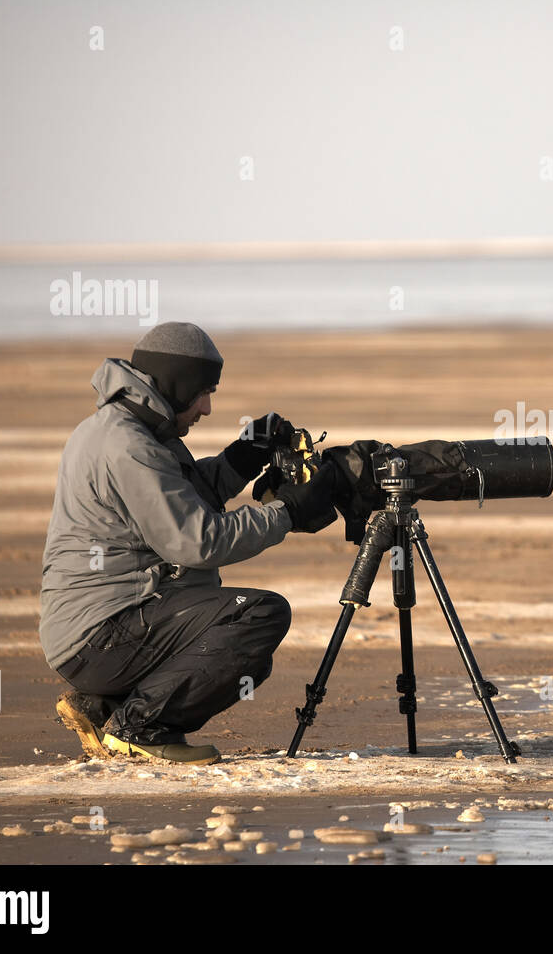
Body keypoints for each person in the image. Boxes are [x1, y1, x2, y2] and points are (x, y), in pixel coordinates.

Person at [40, 321, 343, 765]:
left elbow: (182, 493)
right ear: (174, 384)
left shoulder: (133, 428)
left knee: (246, 660)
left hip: (100, 629)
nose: (206, 407)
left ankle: (99, 706)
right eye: (203, 392)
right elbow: (196, 541)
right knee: (258, 615)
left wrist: (245, 454)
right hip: (102, 634)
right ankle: (139, 729)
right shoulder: (128, 445)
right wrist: (289, 512)